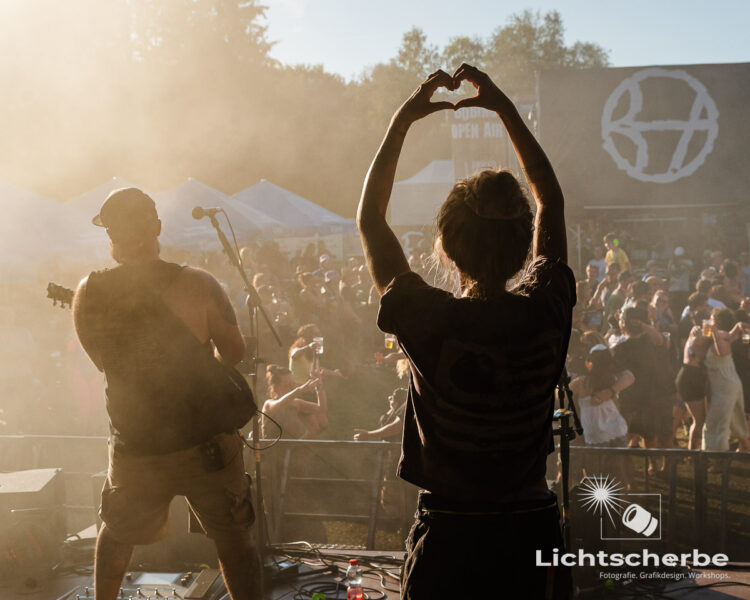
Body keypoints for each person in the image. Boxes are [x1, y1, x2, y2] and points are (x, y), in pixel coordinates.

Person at [357, 65, 574, 599]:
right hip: (532, 531)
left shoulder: (429, 319)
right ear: (524, 244)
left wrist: (402, 120)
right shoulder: (546, 308)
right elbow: (550, 198)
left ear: (448, 249)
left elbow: (370, 219)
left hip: (452, 533)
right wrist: (504, 109)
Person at [71, 188, 260, 600]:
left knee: (117, 533)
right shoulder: (199, 283)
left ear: (112, 236)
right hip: (205, 443)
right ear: (156, 227)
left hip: (135, 445)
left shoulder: (89, 292)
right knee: (233, 537)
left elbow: (103, 363)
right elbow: (234, 353)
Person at [703, 308, 750, 451]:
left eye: (711, 318)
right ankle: (746, 450)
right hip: (729, 383)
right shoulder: (722, 336)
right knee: (736, 421)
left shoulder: (719, 337)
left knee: (718, 424)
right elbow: (729, 336)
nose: (709, 321)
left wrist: (715, 332)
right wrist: (736, 327)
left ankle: (719, 459)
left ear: (717, 322)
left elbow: (722, 352)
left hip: (725, 386)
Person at [261, 365, 328, 439]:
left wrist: (319, 386)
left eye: (294, 384)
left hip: (290, 448)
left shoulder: (296, 403)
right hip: (271, 449)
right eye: (289, 385)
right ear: (276, 388)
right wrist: (300, 390)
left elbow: (321, 409)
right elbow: (280, 403)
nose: (293, 387)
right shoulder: (269, 404)